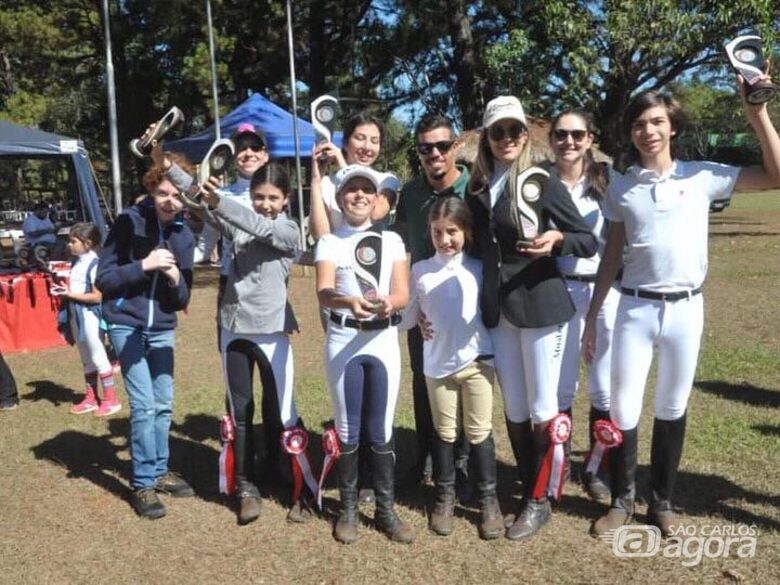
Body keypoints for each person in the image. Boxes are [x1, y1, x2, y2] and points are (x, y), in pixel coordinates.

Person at [583, 76, 780, 537]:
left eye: (656, 121)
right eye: (638, 124)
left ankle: (662, 501)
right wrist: (592, 317)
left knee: (672, 405)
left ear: (671, 126)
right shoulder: (622, 187)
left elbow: (776, 177)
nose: (647, 131)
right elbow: (612, 254)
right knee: (624, 409)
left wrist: (758, 115)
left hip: (686, 311)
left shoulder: (704, 175)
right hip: (634, 309)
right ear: (630, 132)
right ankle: (622, 500)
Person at [468, 96, 597, 540]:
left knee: (543, 409)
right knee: (517, 408)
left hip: (540, 305)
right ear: (487, 137)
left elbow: (587, 240)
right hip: (498, 311)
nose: (507, 139)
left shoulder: (541, 179)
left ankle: (538, 501)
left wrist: (557, 239)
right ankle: (530, 486)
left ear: (526, 135)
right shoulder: (479, 184)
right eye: (498, 131)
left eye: (514, 131)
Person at [173, 160, 311, 526]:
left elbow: (257, 225)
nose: (265, 203)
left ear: (286, 199)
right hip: (234, 328)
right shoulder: (238, 223)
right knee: (240, 412)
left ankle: (294, 481)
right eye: (258, 196)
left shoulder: (288, 229)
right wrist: (170, 168)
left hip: (272, 332)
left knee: (283, 410)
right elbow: (200, 204)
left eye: (273, 197)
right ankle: (246, 486)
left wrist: (219, 201)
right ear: (250, 196)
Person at [315, 164, 414, 544]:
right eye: (351, 189)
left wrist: (390, 302)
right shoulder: (329, 241)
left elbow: (402, 292)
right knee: (347, 428)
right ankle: (350, 510)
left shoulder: (391, 241)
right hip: (343, 338)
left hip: (383, 340)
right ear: (340, 198)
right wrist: (346, 300)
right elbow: (324, 291)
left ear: (377, 199)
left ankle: (386, 511)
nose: (359, 195)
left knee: (381, 428)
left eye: (366, 190)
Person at [96, 153, 195, 520]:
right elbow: (103, 280)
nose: (171, 201)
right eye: (164, 192)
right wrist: (145, 265)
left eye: (178, 195)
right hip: (126, 322)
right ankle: (143, 483)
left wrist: (173, 279)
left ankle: (159, 469)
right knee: (143, 404)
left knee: (164, 403)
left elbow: (183, 297)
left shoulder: (184, 235)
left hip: (162, 328)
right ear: (152, 188)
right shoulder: (127, 222)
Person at [400, 196, 502, 540]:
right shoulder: (420, 270)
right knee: (444, 434)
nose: (445, 240)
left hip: (477, 363)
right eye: (437, 232)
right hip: (437, 367)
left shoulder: (479, 267)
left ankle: (489, 500)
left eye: (452, 232)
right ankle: (444, 497)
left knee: (479, 433)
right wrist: (399, 314)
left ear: (467, 231)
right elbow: (407, 316)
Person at [395, 113, 473, 490]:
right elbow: (399, 249)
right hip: (424, 310)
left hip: (465, 310)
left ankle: (462, 457)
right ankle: (425, 454)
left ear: (455, 146)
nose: (435, 154)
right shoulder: (410, 194)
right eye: (426, 148)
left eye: (442, 146)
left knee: (467, 381)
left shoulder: (475, 188)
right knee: (424, 381)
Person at [548, 110, 619, 501]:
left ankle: (596, 469)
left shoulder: (608, 181)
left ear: (590, 138)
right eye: (561, 135)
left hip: (604, 290)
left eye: (578, 135)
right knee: (562, 384)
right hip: (559, 290)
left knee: (602, 385)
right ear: (552, 139)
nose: (569, 142)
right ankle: (559, 468)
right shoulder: (540, 182)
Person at [62, 223, 121, 417]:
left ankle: (111, 399)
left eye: (73, 241)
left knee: (98, 355)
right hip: (76, 313)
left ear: (88, 243)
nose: (69, 245)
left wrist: (70, 295)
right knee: (86, 357)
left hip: (90, 314)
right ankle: (91, 398)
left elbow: (98, 296)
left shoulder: (96, 264)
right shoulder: (76, 262)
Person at [309, 112, 399, 238]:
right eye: (360, 138)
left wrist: (343, 167)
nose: (367, 147)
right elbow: (320, 236)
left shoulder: (386, 181)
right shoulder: (326, 184)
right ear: (345, 143)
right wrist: (315, 182)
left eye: (374, 141)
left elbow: (375, 213)